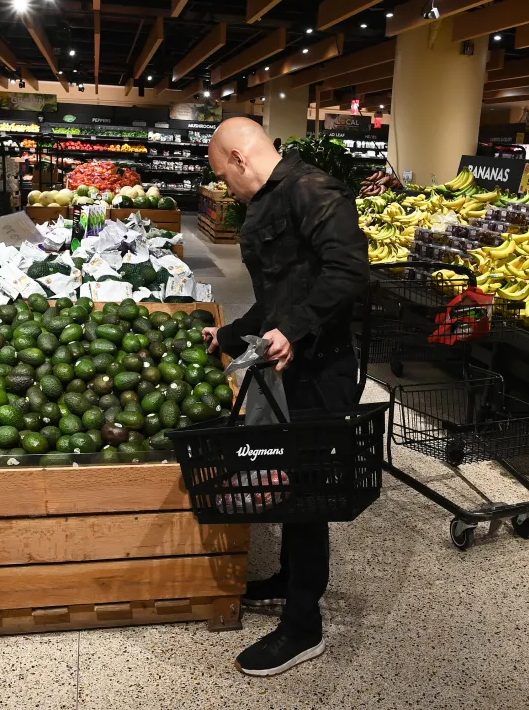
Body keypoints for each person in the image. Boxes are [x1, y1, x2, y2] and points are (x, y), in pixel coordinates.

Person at [203, 117, 368, 677]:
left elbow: (348, 272)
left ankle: (304, 627)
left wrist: (295, 330)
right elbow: (280, 295)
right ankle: (288, 581)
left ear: (239, 159)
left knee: (310, 494)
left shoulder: (311, 190)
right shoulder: (275, 198)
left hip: (322, 370)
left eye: (223, 178)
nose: (226, 190)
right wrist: (225, 336)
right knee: (291, 484)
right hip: (289, 363)